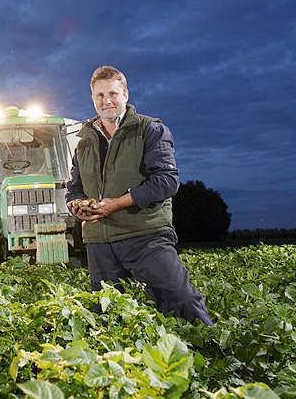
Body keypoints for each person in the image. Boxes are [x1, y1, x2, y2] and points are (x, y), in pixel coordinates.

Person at [66, 66, 213, 326]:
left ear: (125, 95)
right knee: (108, 318)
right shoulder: (84, 142)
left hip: (144, 235)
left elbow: (167, 181)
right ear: (93, 100)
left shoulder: (149, 129)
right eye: (99, 95)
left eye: (112, 93)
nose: (106, 101)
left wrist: (119, 203)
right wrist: (75, 206)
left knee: (180, 298)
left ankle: (210, 353)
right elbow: (74, 188)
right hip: (100, 242)